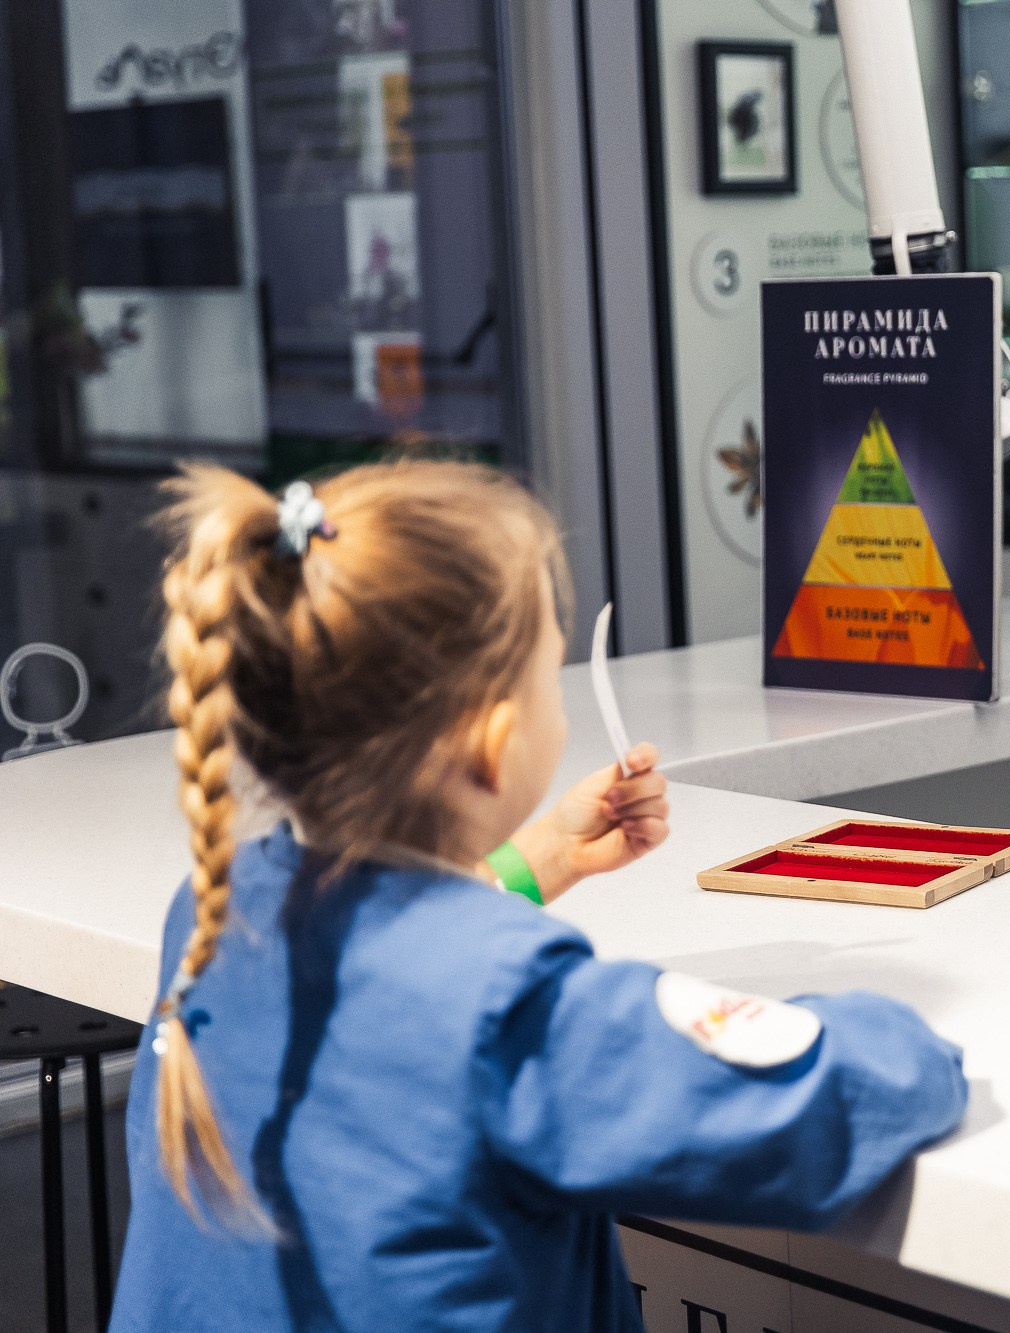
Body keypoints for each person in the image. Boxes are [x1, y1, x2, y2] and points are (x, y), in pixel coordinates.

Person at [113, 461, 967, 1330]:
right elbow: (815, 1109)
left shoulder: (214, 908)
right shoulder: (510, 1004)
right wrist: (911, 1041)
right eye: (548, 671)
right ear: (493, 741)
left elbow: (384, 978)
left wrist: (536, 863)